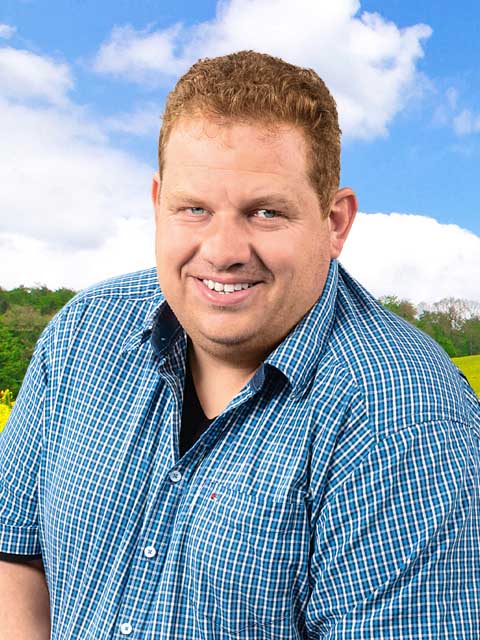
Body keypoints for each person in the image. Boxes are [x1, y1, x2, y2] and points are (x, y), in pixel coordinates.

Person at [0, 50, 479, 640]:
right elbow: (14, 553)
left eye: (265, 212)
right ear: (157, 204)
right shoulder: (82, 334)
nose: (223, 251)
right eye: (194, 209)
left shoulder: (407, 420)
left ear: (335, 223)